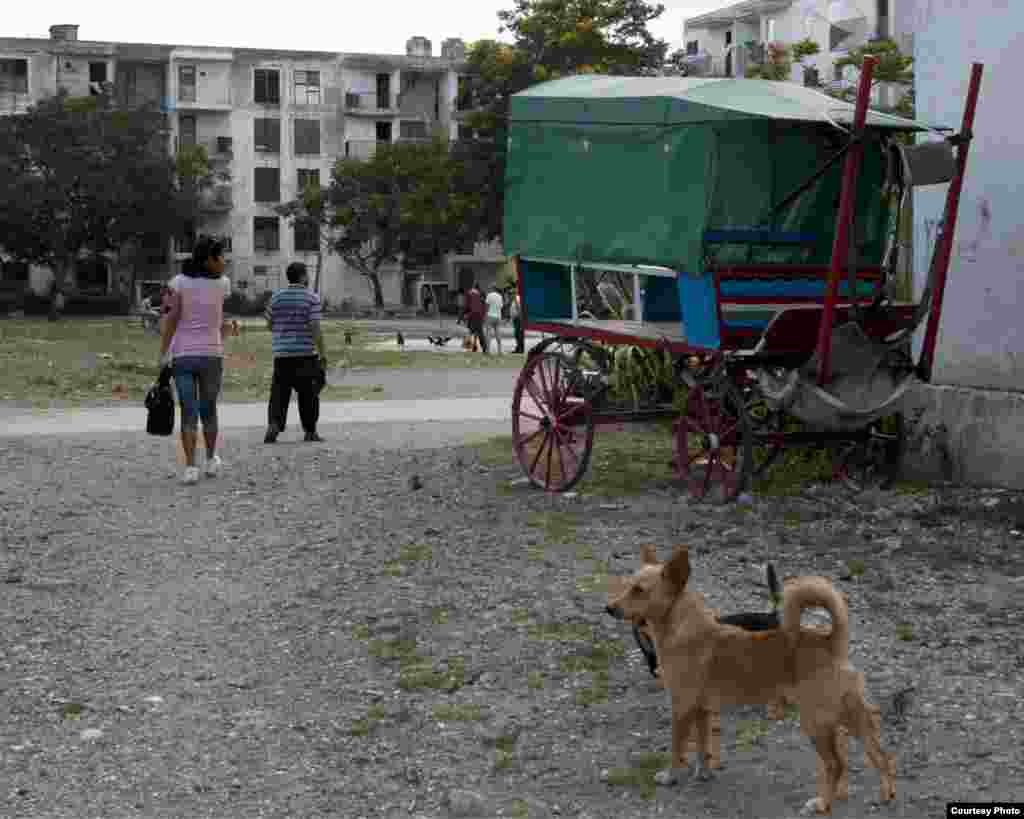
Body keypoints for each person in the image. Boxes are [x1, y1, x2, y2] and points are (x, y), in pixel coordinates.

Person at [158, 236, 233, 485]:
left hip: (183, 355)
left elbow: (169, 319)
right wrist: (225, 333)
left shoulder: (177, 283)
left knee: (188, 411)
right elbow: (219, 321)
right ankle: (211, 460)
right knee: (208, 410)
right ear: (208, 259)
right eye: (220, 256)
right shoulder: (223, 284)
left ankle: (191, 467)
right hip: (212, 354)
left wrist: (163, 353)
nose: (224, 261)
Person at [263, 261, 328, 444]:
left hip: (282, 356)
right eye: (306, 274)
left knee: (279, 393)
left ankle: (275, 423)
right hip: (306, 355)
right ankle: (310, 431)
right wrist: (323, 353)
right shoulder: (312, 298)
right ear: (303, 276)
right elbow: (315, 327)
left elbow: (269, 324)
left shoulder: (276, 297)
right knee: (309, 394)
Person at [463, 282, 487, 355]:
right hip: (479, 315)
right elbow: (483, 306)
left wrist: (464, 314)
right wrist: (483, 315)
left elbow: (467, 305)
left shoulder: (469, 293)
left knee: (470, 331)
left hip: (472, 315)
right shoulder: (481, 294)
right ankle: (484, 348)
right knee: (480, 332)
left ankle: (468, 347)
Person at [485, 284, 504, 355]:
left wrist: (485, 315)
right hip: (498, 316)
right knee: (498, 333)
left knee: (488, 333)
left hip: (490, 315)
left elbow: (487, 306)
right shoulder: (500, 296)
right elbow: (501, 307)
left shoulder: (489, 295)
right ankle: (499, 350)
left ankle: (488, 350)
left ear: (492, 288)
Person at [509, 287, 525, 354]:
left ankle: (520, 349)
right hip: (516, 319)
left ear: (514, 293)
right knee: (517, 334)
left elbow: (519, 308)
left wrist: (520, 318)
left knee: (518, 334)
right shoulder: (515, 299)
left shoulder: (517, 299)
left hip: (518, 319)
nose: (510, 295)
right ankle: (518, 348)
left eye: (510, 294)